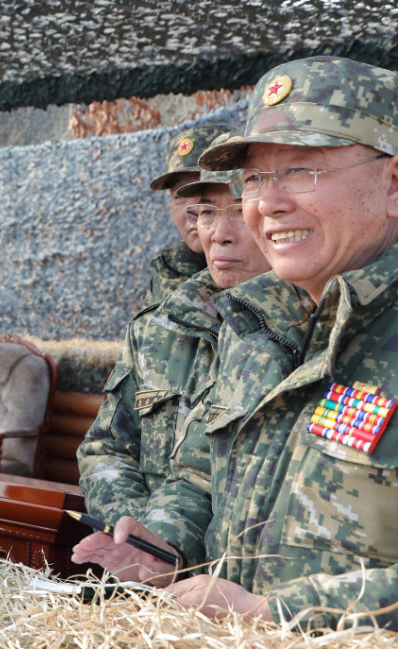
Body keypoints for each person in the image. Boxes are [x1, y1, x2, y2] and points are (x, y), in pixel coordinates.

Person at [74, 56, 398, 631]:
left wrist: (274, 615)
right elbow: (201, 475)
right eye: (254, 178)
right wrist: (162, 547)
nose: (265, 203)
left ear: (393, 184)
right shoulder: (254, 324)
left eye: (300, 170)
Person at [76, 136, 270, 568]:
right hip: (156, 569)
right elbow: (107, 446)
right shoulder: (157, 327)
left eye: (238, 209)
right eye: (204, 211)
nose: (219, 232)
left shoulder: (302, 327)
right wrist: (140, 532)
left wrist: (163, 542)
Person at [140, 125, 227, 307]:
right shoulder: (167, 274)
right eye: (180, 195)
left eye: (204, 191)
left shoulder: (276, 268)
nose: (193, 210)